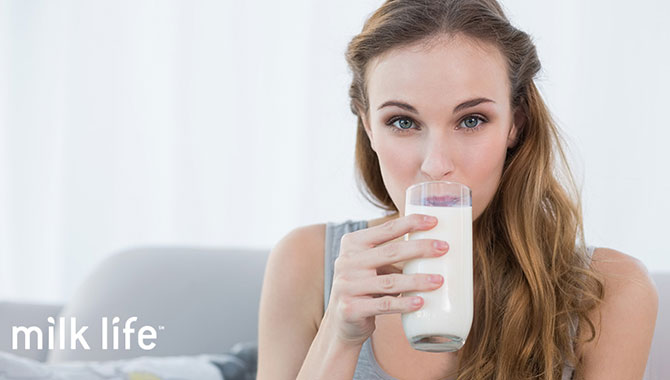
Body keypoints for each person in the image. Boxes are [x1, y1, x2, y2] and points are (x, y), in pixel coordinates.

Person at [257, 0, 658, 379]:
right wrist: (338, 337)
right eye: (401, 122)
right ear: (368, 127)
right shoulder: (307, 263)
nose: (436, 164)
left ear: (515, 124)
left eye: (471, 120)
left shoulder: (610, 290)